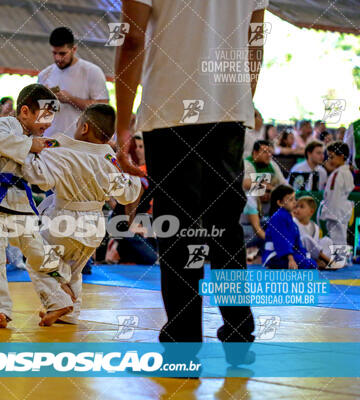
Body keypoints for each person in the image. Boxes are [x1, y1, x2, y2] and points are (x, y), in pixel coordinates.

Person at [115, 0, 267, 365]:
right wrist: (242, 100)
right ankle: (238, 331)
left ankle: (183, 339)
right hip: (228, 108)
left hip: (170, 109)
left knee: (177, 227)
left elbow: (133, 39)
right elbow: (255, 40)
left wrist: (123, 121)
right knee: (225, 226)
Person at [22, 104, 142, 325]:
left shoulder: (60, 149)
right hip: (94, 226)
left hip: (62, 221)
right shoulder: (110, 160)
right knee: (73, 271)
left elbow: (40, 179)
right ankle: (69, 313)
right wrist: (132, 172)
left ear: (84, 127)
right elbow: (127, 196)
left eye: (77, 125)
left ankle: (59, 302)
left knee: (36, 260)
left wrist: (28, 153)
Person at [0, 83, 60, 329]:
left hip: (19, 202)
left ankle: (59, 297)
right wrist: (31, 146)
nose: (47, 123)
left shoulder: (33, 142)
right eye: (44, 116)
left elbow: (40, 178)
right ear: (24, 112)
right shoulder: (5, 125)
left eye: (51, 118)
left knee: (37, 250)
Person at [37, 27, 109, 138]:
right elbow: (41, 116)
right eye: (54, 53)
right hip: (49, 140)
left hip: (79, 142)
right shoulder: (44, 74)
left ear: (74, 49)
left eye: (62, 53)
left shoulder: (91, 71)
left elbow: (103, 110)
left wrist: (71, 99)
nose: (58, 58)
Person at [262, 185, 316, 269]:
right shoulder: (278, 217)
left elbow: (297, 243)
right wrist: (291, 259)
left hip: (287, 254)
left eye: (294, 199)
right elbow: (281, 241)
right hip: (274, 255)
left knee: (310, 261)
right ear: (280, 202)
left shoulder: (289, 219)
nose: (294, 202)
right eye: (290, 199)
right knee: (309, 264)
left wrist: (303, 254)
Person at [293, 196, 344, 269]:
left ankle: (320, 263)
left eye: (301, 207)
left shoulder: (315, 226)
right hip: (300, 254)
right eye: (296, 207)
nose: (297, 209)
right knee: (305, 238)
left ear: (311, 211)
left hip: (314, 255)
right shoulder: (293, 222)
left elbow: (315, 244)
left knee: (327, 240)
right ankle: (329, 262)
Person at [319, 141, 354, 246]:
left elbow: (340, 193)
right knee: (336, 239)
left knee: (338, 239)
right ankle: (338, 261)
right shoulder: (340, 172)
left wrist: (331, 213)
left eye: (332, 157)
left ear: (342, 156)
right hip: (335, 211)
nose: (329, 160)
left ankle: (340, 261)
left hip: (336, 212)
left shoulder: (341, 173)